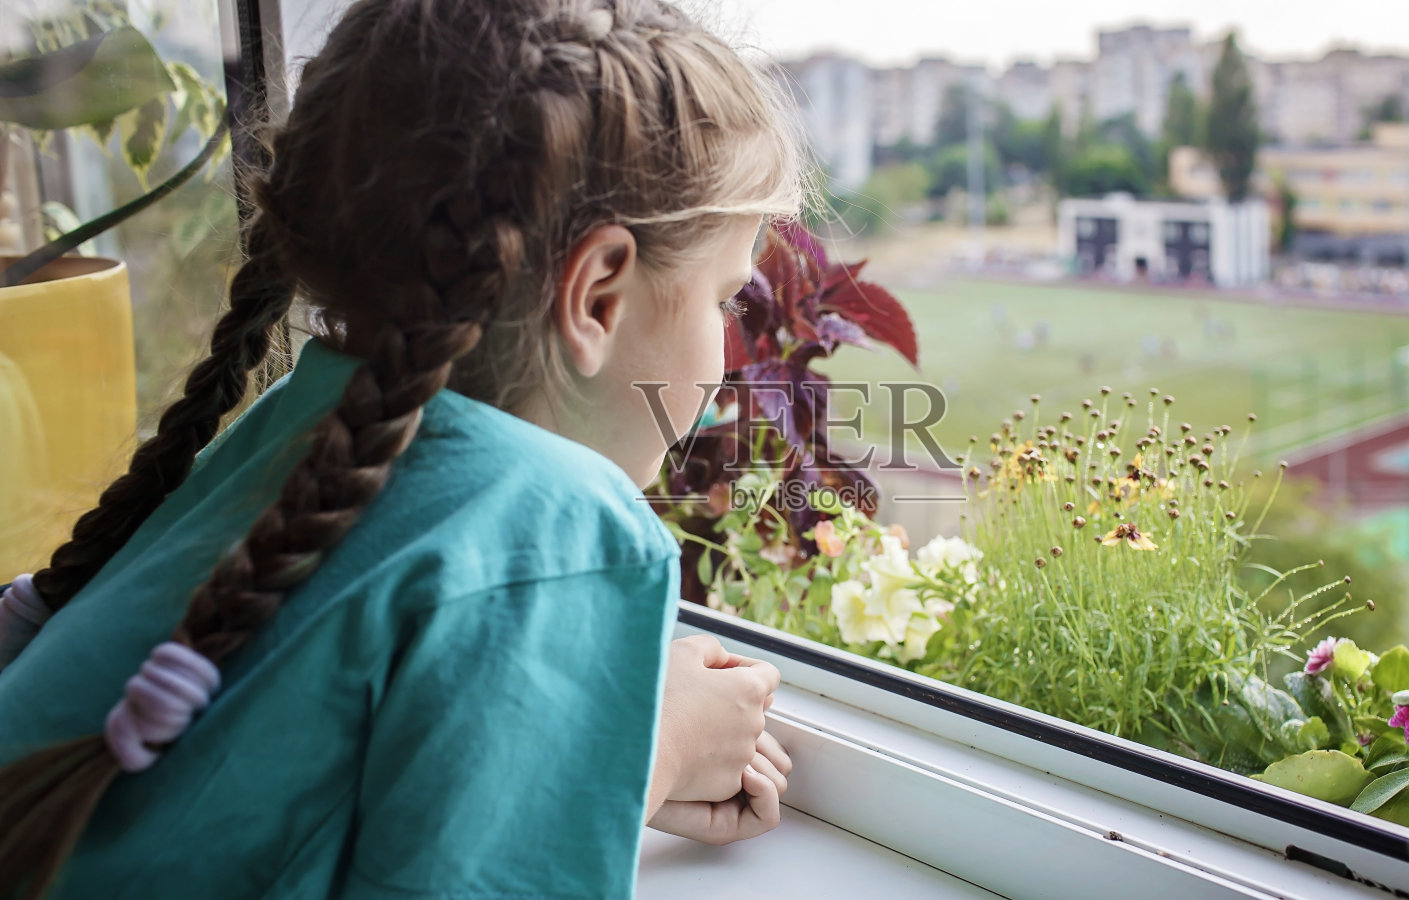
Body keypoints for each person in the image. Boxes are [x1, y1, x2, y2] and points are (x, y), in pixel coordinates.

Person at [0, 0, 808, 896]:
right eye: (723, 301)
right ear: (599, 296)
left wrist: (563, 742)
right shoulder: (559, 523)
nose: (727, 350)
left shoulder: (294, 429)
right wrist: (650, 747)